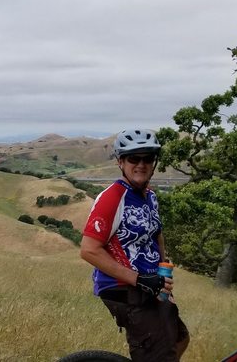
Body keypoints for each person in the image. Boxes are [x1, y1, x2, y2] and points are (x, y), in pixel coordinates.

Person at [80, 129, 189, 361]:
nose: (141, 164)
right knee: (157, 354)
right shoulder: (113, 197)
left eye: (147, 158)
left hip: (150, 285)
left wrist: (162, 276)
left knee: (179, 339)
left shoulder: (149, 196)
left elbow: (156, 236)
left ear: (154, 162)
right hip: (123, 288)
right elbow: (89, 250)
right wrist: (139, 279)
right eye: (133, 158)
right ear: (121, 162)